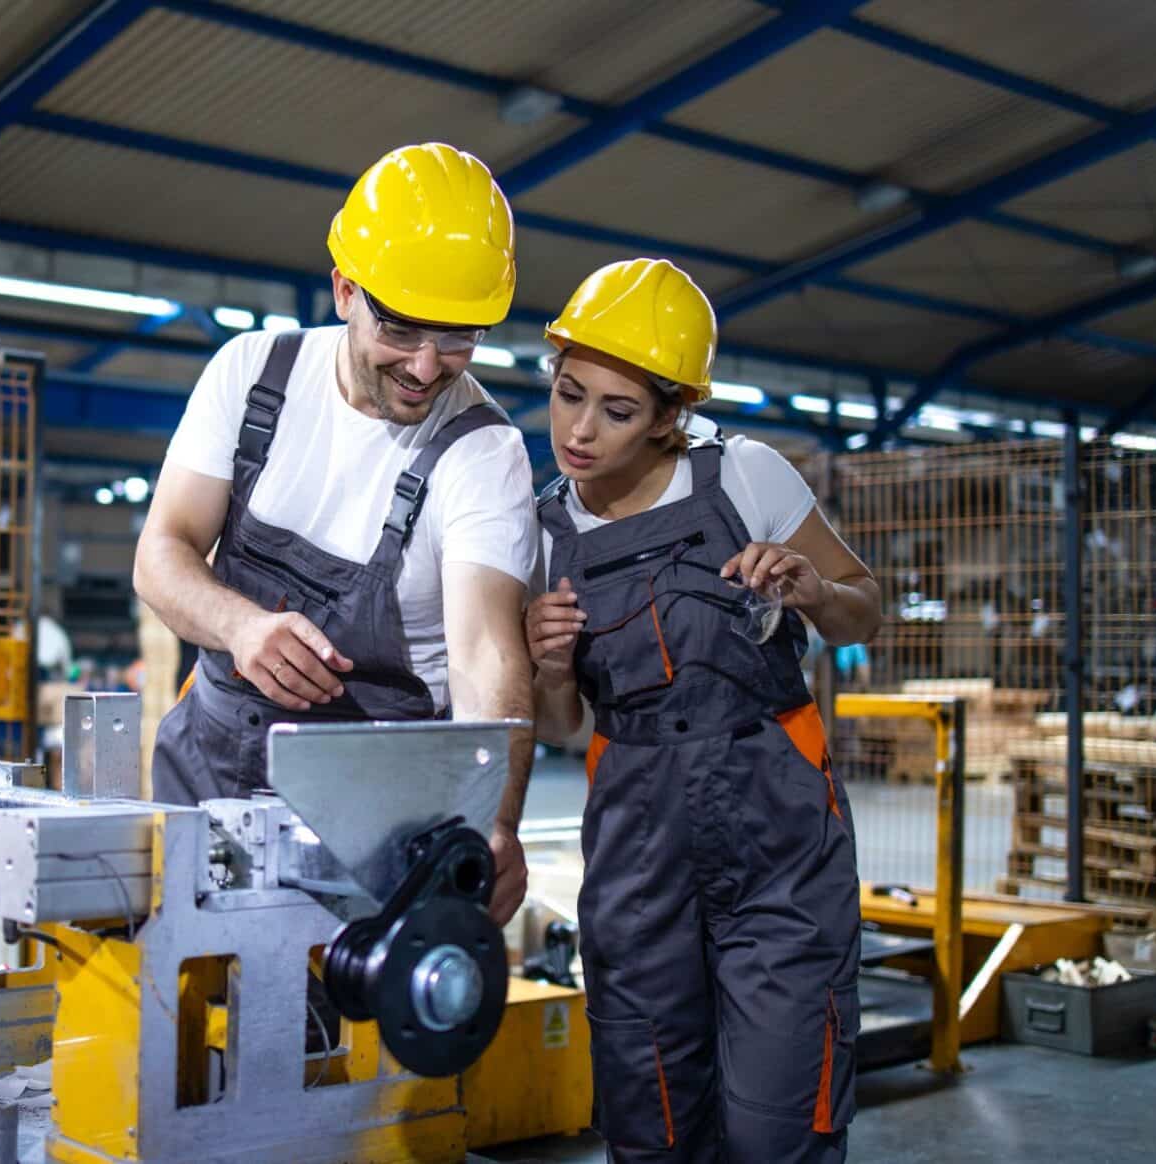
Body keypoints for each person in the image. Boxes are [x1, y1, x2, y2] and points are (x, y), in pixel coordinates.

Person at [523, 258, 882, 1162]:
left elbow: (862, 605)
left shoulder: (743, 477)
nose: (580, 429)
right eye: (569, 395)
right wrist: (551, 664)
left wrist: (809, 589)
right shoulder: (541, 532)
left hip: (778, 839)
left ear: (673, 415)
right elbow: (565, 727)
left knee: (780, 1124)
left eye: (617, 410)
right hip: (638, 845)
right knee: (653, 1120)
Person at [135, 142, 539, 924]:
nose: (427, 367)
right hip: (207, 773)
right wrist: (238, 625)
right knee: (173, 1018)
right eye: (401, 330)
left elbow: (487, 649)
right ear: (345, 288)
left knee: (340, 1033)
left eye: (458, 338)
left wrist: (497, 817)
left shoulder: (484, 453)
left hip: (377, 816)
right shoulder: (252, 373)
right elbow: (162, 552)